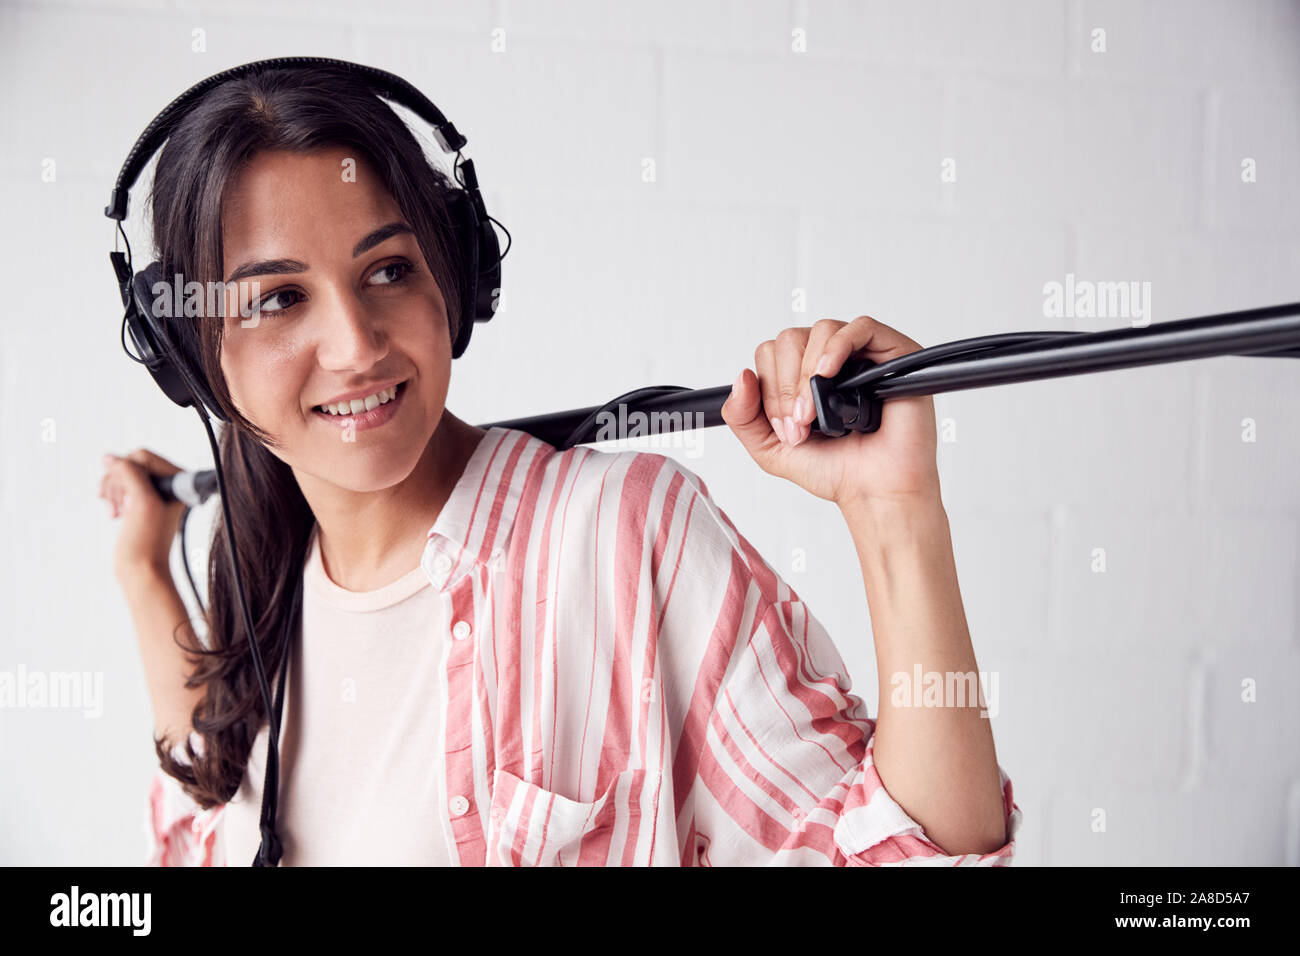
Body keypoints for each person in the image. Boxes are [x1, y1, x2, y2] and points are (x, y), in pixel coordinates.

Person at [98, 65, 1019, 866]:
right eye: (280, 299)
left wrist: (895, 510)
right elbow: (209, 796)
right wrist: (143, 568)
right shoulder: (264, 591)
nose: (354, 346)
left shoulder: (623, 536)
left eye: (387, 271)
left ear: (454, 275)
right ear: (188, 354)